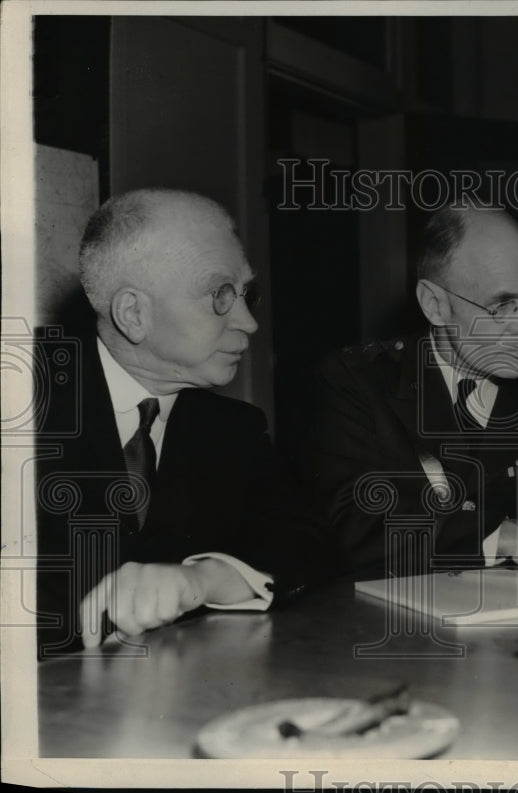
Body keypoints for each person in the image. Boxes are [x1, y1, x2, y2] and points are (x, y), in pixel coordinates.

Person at [34, 189, 319, 657]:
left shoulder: (233, 429)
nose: (248, 322)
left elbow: (308, 544)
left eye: (247, 293)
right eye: (219, 295)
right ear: (134, 313)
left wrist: (203, 577)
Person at [299, 204, 518, 579]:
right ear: (435, 305)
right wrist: (498, 536)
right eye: (501, 306)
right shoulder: (356, 385)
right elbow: (350, 530)